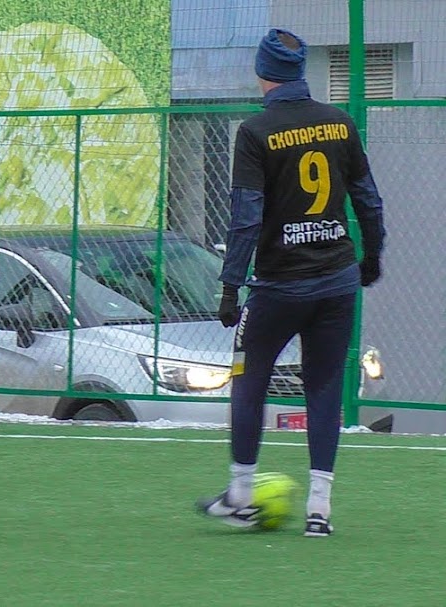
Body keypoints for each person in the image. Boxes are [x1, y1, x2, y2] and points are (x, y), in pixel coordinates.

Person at [198, 29, 385, 537]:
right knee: (323, 388)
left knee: (250, 376)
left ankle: (240, 494)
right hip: (337, 279)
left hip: (280, 285)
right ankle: (319, 512)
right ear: (300, 70)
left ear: (262, 72)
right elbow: (367, 198)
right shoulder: (340, 122)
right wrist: (372, 255)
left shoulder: (255, 132)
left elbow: (245, 218)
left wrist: (230, 285)